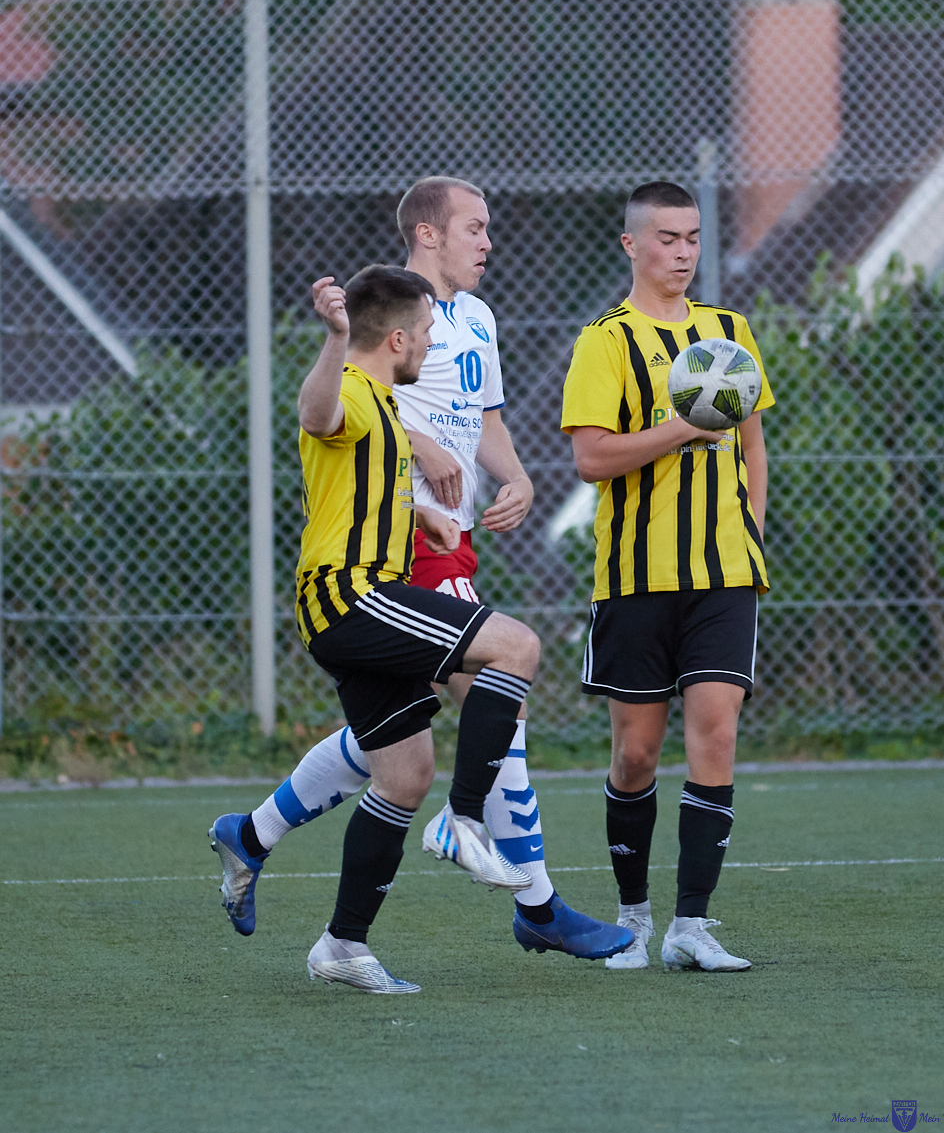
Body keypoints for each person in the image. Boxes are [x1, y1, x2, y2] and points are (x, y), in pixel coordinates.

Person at [208, 179, 630, 963]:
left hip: (434, 533)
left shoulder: (474, 320)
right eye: (475, 226)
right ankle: (534, 899)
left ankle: (258, 839)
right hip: (385, 558)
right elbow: (336, 407)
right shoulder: (386, 321)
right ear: (428, 234)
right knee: (501, 684)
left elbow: (482, 420)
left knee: (401, 751)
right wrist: (416, 443)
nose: (488, 241)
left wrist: (516, 477)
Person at [561, 181, 774, 971]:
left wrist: (752, 525)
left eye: (692, 238)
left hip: (724, 572)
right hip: (636, 576)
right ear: (632, 244)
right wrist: (681, 427)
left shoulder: (729, 332)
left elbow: (753, 441)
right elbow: (590, 458)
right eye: (667, 238)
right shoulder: (605, 340)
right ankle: (633, 920)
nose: (683, 253)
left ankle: (691, 925)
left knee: (715, 732)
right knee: (637, 757)